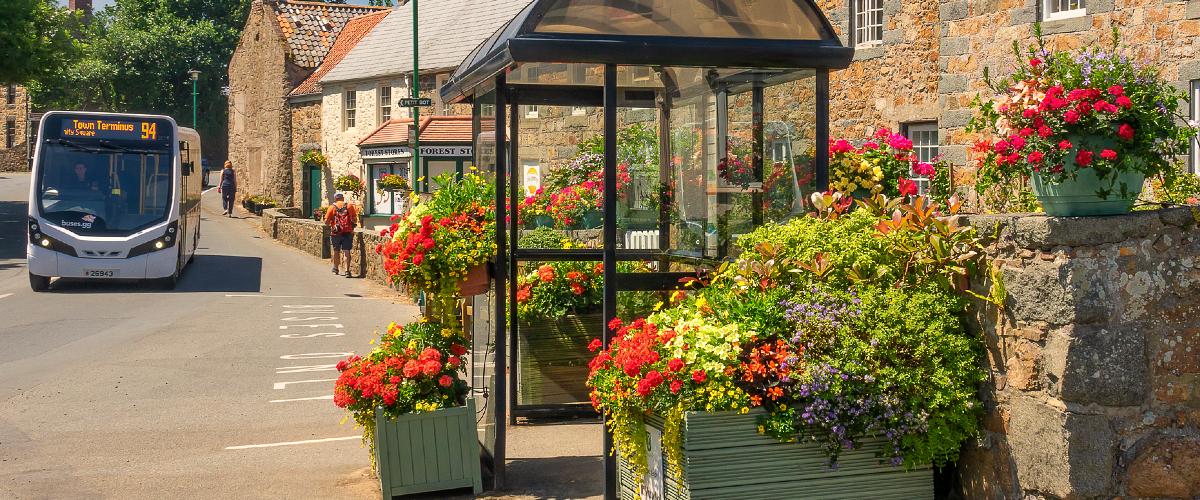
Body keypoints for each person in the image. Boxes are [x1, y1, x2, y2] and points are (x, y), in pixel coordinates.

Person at [324, 193, 358, 278]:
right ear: (342, 198)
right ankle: (347, 271)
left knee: (336, 251)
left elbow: (326, 222)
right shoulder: (349, 206)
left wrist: (332, 224)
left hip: (336, 232)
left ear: (335, 199)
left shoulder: (332, 207)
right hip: (347, 232)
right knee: (346, 251)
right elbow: (354, 219)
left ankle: (336, 269)